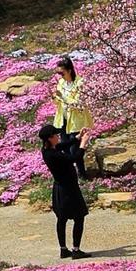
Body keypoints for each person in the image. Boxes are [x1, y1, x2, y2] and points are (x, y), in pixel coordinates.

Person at [38, 117, 89, 258]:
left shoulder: (48, 149)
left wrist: (77, 137)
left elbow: (64, 145)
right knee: (79, 217)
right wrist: (83, 144)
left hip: (60, 190)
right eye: (56, 135)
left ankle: (63, 249)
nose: (58, 136)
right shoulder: (53, 155)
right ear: (50, 138)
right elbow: (74, 158)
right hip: (69, 190)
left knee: (62, 219)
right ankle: (76, 250)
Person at [51, 54, 89, 139]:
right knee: (64, 145)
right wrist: (54, 97)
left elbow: (78, 103)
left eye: (62, 73)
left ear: (69, 71)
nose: (60, 76)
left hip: (75, 120)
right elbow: (58, 102)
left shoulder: (80, 82)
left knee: (74, 146)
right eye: (58, 73)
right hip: (63, 118)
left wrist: (63, 97)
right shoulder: (61, 82)